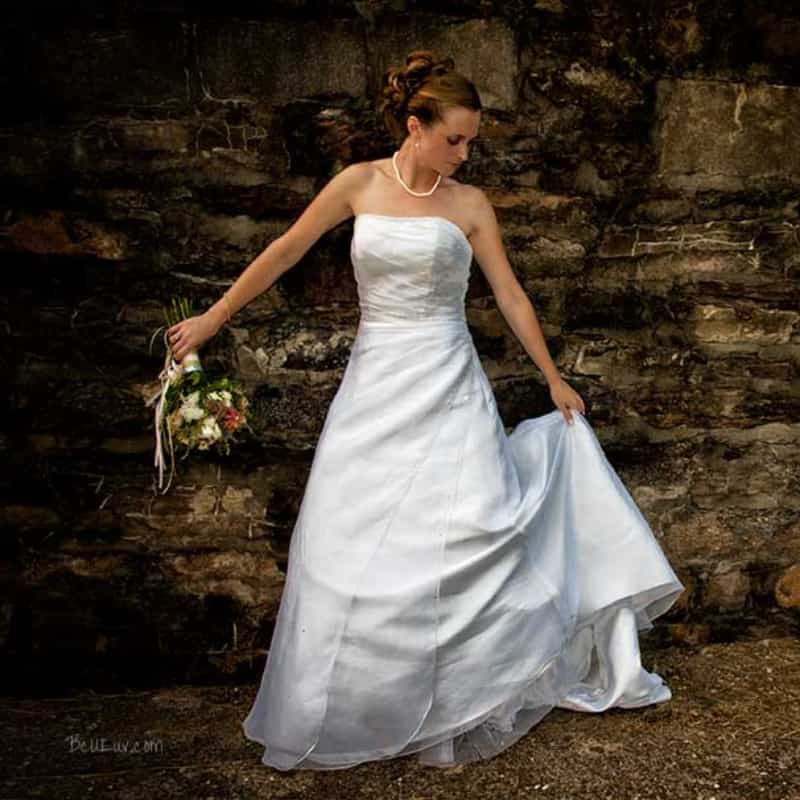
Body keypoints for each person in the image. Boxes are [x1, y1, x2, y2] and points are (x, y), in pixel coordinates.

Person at [167, 49, 685, 771]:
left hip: (449, 382)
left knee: (463, 530)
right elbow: (285, 252)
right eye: (454, 139)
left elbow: (509, 294)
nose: (464, 153)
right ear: (415, 125)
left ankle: (458, 694)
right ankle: (364, 704)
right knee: (354, 536)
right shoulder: (357, 183)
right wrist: (213, 319)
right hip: (376, 382)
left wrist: (552, 377)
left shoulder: (469, 205)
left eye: (471, 141)